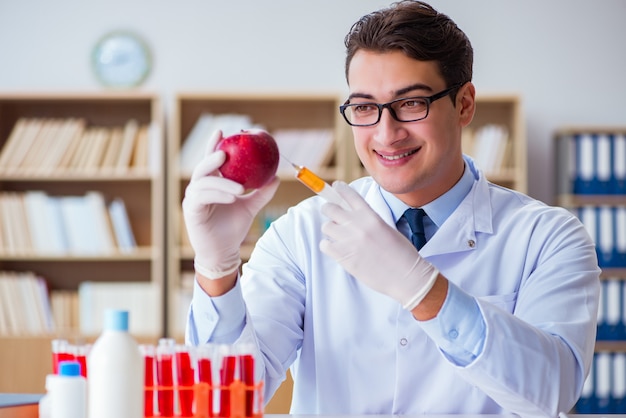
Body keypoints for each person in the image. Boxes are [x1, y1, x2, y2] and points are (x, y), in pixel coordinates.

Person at [183, 1, 600, 416]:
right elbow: (222, 401)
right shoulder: (301, 235)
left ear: (464, 105)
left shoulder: (548, 238)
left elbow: (553, 393)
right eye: (364, 107)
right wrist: (216, 268)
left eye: (411, 103)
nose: (386, 133)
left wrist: (424, 292)